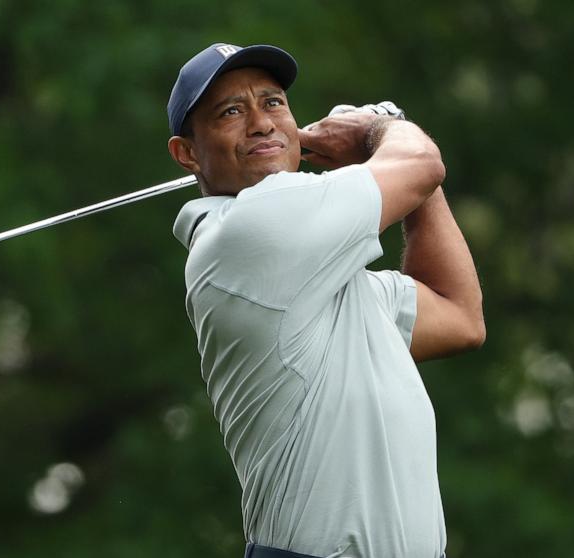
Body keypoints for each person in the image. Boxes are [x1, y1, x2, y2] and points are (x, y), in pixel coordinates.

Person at [166, 43, 484, 558]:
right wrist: (379, 129)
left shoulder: (326, 279)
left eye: (273, 104)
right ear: (187, 154)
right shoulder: (247, 233)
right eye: (231, 111)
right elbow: (422, 163)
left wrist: (400, 162)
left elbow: (459, 316)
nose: (262, 124)